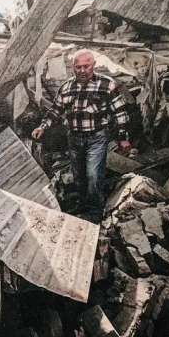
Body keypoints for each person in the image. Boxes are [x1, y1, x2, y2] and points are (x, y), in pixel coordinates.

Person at [31, 50, 131, 217]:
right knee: (79, 176)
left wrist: (123, 138)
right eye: (78, 67)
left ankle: (95, 212)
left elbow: (120, 113)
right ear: (73, 67)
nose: (82, 70)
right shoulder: (66, 87)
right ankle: (81, 206)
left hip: (96, 137)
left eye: (86, 66)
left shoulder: (107, 85)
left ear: (94, 65)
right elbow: (55, 110)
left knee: (93, 174)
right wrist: (42, 127)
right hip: (74, 138)